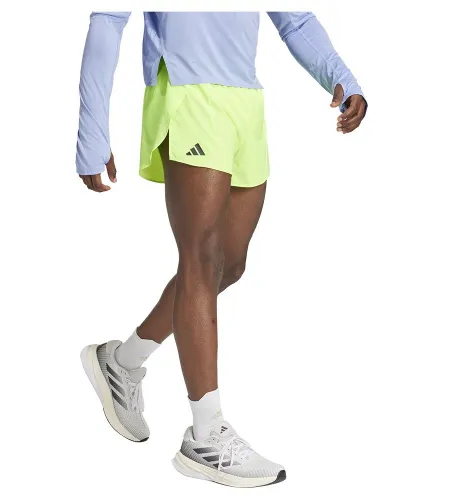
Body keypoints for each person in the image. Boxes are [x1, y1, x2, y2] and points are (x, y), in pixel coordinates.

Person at [77, 11, 367, 488]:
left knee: (228, 265)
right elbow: (108, 20)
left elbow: (294, 20)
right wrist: (92, 131)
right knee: (202, 256)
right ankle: (206, 435)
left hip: (244, 98)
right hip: (187, 92)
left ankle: (121, 363)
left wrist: (342, 77)